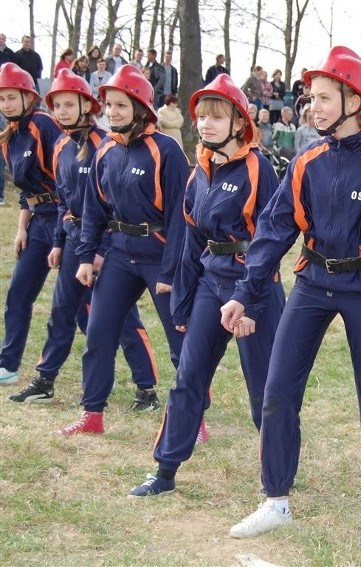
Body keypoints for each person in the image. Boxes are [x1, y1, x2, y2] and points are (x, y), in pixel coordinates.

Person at [222, 45, 361, 539]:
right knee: (277, 390)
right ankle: (275, 499)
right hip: (312, 283)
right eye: (312, 97)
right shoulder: (305, 161)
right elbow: (273, 232)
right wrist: (246, 292)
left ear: (355, 101)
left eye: (326, 97)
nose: (315, 106)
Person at [129, 74, 285, 497]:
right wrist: (182, 301)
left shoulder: (260, 169)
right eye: (200, 116)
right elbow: (190, 239)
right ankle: (164, 471)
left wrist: (249, 303)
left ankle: (277, 477)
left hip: (253, 290)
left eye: (216, 116)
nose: (205, 124)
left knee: (265, 392)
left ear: (239, 121)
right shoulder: (199, 172)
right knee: (188, 378)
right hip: (211, 285)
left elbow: (270, 242)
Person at [7, 69, 158, 404]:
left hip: (106, 244)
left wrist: (102, 249)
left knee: (121, 318)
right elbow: (63, 200)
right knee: (63, 310)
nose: (61, 111)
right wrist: (59, 243)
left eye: (67, 104)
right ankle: (45, 379)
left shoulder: (104, 144)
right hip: (76, 239)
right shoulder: (60, 144)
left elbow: (109, 205)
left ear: (87, 106)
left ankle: (146, 388)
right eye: (56, 105)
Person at [57, 65, 190, 435]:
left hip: (159, 254)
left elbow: (182, 215)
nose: (112, 112)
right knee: (99, 331)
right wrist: (86, 257)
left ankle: (195, 417)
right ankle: (92, 414)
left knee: (181, 339)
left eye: (120, 105)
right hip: (118, 253)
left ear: (141, 107)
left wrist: (170, 271)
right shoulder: (105, 151)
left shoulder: (167, 150)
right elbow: (94, 210)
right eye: (109, 105)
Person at [0, 63, 63, 386]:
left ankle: (141, 379)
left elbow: (64, 175)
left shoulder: (43, 125)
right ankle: (8, 364)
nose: (7, 104)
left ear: (28, 97)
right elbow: (27, 190)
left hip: (63, 218)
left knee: (81, 306)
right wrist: (21, 228)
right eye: (2, 98)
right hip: (38, 221)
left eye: (12, 97)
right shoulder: (9, 137)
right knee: (18, 293)